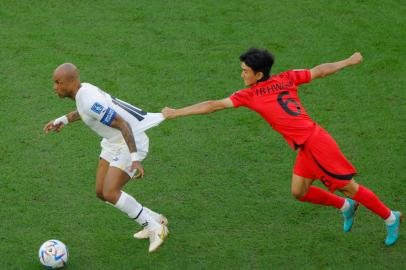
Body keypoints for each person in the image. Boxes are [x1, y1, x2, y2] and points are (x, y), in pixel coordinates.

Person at [162, 48, 402, 245]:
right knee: (299, 192)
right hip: (306, 145)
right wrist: (348, 61)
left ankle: (391, 218)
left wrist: (176, 113)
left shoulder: (250, 95)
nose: (242, 75)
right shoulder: (286, 77)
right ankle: (346, 206)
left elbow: (212, 105)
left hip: (316, 145)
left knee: (349, 187)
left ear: (258, 75)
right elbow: (319, 71)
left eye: (245, 71)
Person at [44, 63, 168, 252]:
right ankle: (156, 219)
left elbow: (123, 123)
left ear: (70, 82)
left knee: (111, 191)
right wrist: (62, 120)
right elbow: (84, 113)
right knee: (101, 192)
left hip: (129, 141)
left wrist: (135, 159)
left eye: (57, 82)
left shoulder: (89, 100)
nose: (55, 87)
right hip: (113, 141)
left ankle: (154, 228)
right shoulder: (83, 92)